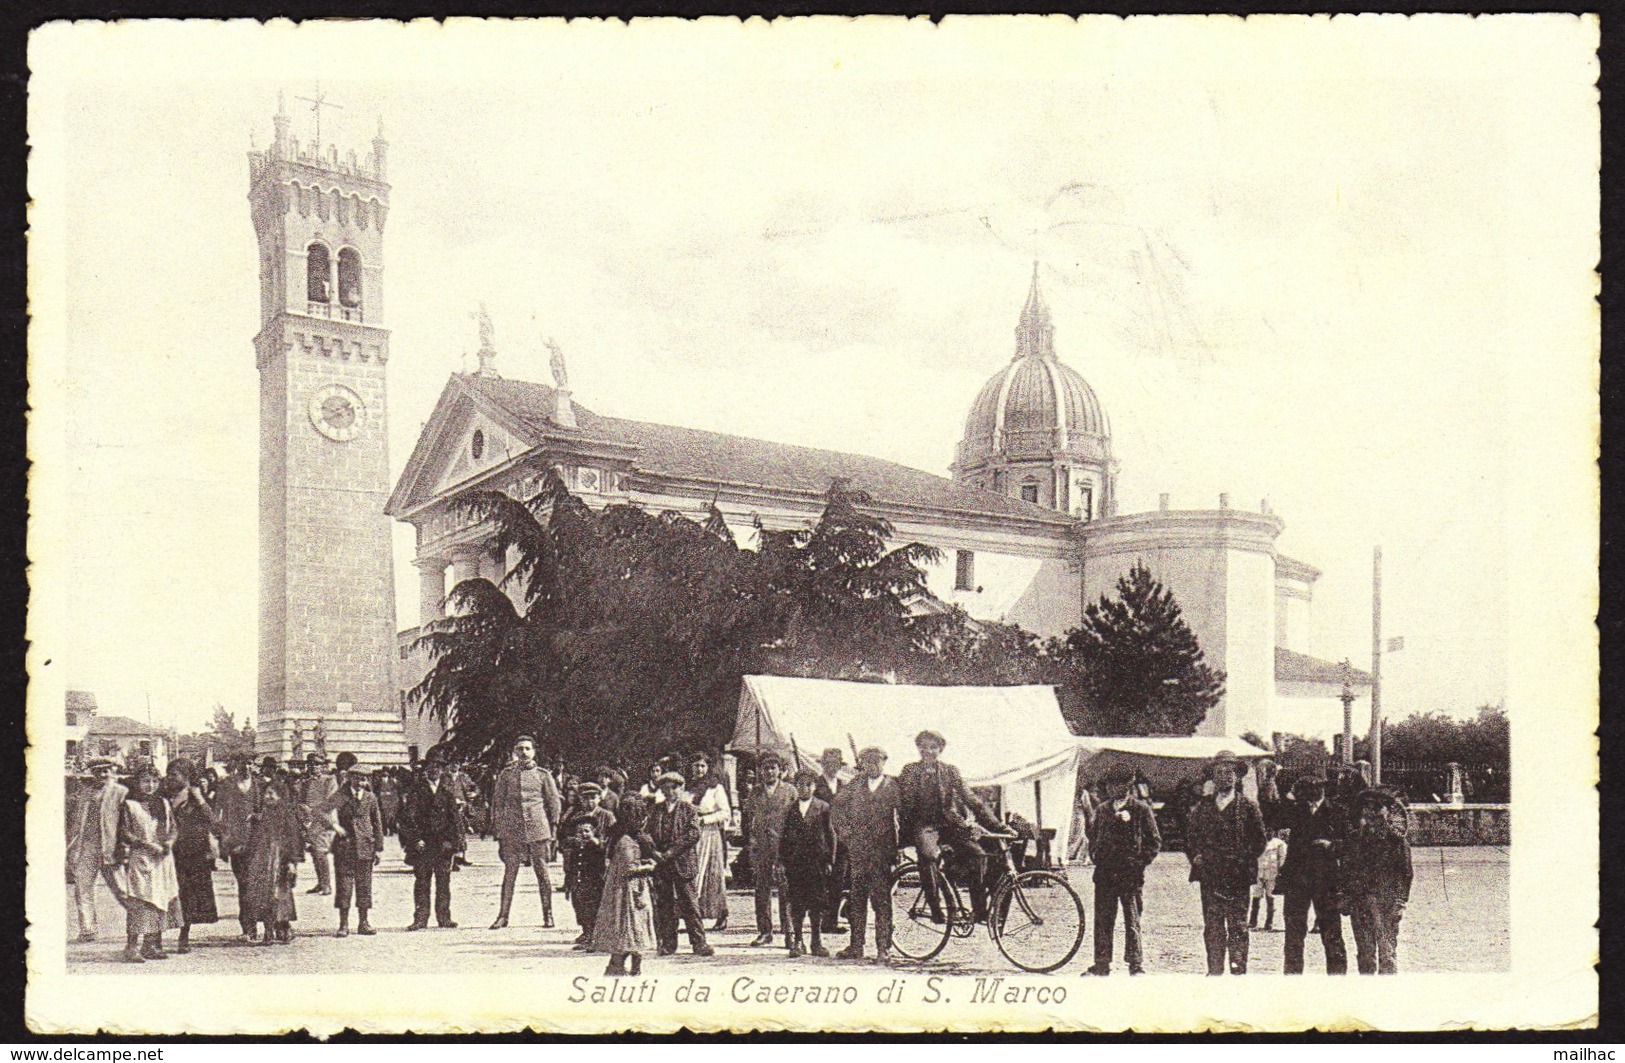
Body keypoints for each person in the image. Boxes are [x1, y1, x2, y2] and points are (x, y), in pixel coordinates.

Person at [897, 730, 1003, 924]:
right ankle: (936, 907)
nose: (928, 751)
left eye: (933, 747)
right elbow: (901, 802)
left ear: (940, 749)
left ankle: (979, 910)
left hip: (949, 824)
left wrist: (998, 826)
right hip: (923, 824)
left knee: (978, 855)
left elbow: (971, 799)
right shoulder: (910, 771)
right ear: (918, 748)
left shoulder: (949, 771)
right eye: (923, 747)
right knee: (928, 856)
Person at [1185, 751, 1266, 975]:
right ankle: (1215, 971)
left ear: (1237, 777)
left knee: (1238, 926)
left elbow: (1259, 841)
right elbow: (1191, 838)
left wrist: (1243, 859)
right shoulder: (1203, 807)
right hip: (1211, 876)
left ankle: (1238, 969)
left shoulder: (1248, 807)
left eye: (1229, 772)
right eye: (1219, 772)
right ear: (1213, 777)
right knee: (1213, 926)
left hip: (1237, 876)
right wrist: (1197, 857)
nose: (1225, 777)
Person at [1083, 763, 1160, 976]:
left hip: (1130, 875)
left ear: (1128, 784)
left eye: (1117, 784)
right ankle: (1101, 963)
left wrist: (1139, 862)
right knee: (1103, 920)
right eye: (1109, 784)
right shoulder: (1102, 810)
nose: (1112, 788)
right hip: (1105, 874)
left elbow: (1154, 841)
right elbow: (1092, 837)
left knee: (1132, 919)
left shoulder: (1141, 809)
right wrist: (1096, 856)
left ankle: (1135, 963)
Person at [831, 746, 900, 965]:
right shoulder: (855, 785)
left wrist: (898, 847)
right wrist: (844, 832)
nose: (872, 765)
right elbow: (836, 807)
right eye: (868, 762)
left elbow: (903, 818)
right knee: (857, 899)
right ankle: (856, 945)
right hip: (858, 852)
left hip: (882, 852)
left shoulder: (893, 787)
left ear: (884, 762)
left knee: (881, 902)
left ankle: (883, 948)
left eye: (876, 761)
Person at [1277, 772, 1349, 975]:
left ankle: (1337, 978)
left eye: (1317, 787)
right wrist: (1290, 795)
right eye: (1307, 788)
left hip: (1326, 880)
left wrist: (1332, 845)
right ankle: (1293, 976)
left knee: (1331, 931)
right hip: (1297, 878)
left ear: (1324, 788)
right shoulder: (1295, 810)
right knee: (1294, 932)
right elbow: (1274, 815)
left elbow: (1350, 843)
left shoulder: (1337, 811)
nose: (1313, 791)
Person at [489, 734, 563, 929]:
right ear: (515, 751)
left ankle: (548, 915)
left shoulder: (543, 775)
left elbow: (554, 803)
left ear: (534, 751)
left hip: (538, 829)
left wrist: (553, 828)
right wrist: (498, 828)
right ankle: (503, 916)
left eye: (527, 748)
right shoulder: (506, 775)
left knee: (543, 874)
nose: (523, 752)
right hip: (512, 829)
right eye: (520, 748)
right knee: (509, 874)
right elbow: (498, 802)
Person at [1341, 788, 1412, 974]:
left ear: (1386, 813)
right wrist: (1345, 896)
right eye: (1368, 809)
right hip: (1360, 902)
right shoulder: (1354, 840)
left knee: (1387, 954)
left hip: (1386, 903)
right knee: (1365, 955)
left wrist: (1400, 901)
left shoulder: (1396, 842)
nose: (1372, 814)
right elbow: (1346, 871)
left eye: (1377, 809)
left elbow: (1405, 874)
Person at [117, 763, 181, 962]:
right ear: (137, 783)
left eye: (154, 781)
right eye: (145, 781)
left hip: (162, 858)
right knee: (141, 899)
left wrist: (168, 843)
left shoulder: (163, 803)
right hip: (142, 858)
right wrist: (145, 844)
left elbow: (173, 829)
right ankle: (132, 947)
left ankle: (151, 945)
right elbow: (125, 832)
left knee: (160, 898)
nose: (150, 785)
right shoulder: (129, 805)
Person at [646, 771, 714, 957]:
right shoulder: (655, 810)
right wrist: (654, 852)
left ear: (682, 788)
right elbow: (646, 833)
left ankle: (699, 943)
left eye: (674, 787)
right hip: (662, 864)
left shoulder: (688, 809)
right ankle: (668, 944)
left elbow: (693, 834)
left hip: (682, 863)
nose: (670, 791)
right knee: (665, 904)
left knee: (690, 904)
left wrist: (670, 852)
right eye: (665, 788)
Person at [399, 746, 464, 930]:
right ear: (426, 769)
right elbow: (407, 819)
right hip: (423, 844)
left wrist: (454, 842)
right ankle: (420, 918)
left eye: (438, 766)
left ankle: (444, 917)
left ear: (443, 770)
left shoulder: (446, 793)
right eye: (431, 766)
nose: (435, 770)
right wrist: (415, 839)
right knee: (422, 881)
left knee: (444, 882)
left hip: (443, 845)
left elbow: (454, 820)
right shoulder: (416, 791)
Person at [593, 799, 657, 977]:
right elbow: (630, 869)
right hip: (629, 890)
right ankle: (621, 966)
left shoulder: (623, 838)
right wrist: (650, 866)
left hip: (632, 888)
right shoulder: (626, 841)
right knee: (632, 925)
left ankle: (628, 966)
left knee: (634, 926)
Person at [65, 758, 127, 942]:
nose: (102, 775)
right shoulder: (86, 793)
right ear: (92, 773)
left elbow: (127, 822)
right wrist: (71, 848)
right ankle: (88, 930)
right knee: (82, 889)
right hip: (88, 847)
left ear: (112, 771)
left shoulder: (121, 792)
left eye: (106, 771)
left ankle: (142, 925)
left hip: (111, 847)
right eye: (98, 771)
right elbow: (77, 824)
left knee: (122, 889)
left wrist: (124, 848)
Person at [324, 755, 384, 938]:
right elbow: (322, 810)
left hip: (366, 846)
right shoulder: (341, 796)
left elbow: (377, 823)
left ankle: (363, 922)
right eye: (357, 778)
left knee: (364, 885)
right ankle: (343, 924)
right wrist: (335, 826)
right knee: (344, 885)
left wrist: (378, 847)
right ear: (350, 778)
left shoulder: (370, 798)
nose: (361, 782)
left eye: (364, 779)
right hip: (345, 846)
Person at [242, 771, 303, 945]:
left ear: (280, 796)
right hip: (261, 861)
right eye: (266, 793)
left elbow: (293, 841)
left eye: (271, 793)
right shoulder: (260, 816)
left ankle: (280, 927)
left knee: (277, 895)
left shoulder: (287, 816)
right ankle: (268, 930)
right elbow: (253, 839)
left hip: (279, 860)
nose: (267, 796)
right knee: (261, 895)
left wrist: (292, 862)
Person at [780, 768, 835, 958]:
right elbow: (784, 838)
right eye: (800, 785)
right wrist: (782, 861)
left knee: (816, 902)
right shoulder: (790, 809)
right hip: (795, 864)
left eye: (808, 784)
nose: (804, 788)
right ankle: (797, 941)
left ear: (814, 786)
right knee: (797, 903)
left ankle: (816, 942)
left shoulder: (824, 807)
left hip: (816, 863)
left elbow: (830, 836)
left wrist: (829, 860)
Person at [164, 758, 218, 954]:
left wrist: (200, 799)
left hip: (192, 853)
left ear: (186, 777)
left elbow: (213, 821)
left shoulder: (197, 797)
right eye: (169, 774)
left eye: (174, 775)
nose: (169, 778)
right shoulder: (165, 795)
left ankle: (183, 936)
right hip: (169, 851)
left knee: (188, 895)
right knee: (167, 893)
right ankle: (156, 936)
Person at [211, 755, 263, 941]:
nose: (246, 767)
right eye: (243, 764)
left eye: (250, 763)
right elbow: (217, 813)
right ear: (236, 766)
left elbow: (267, 809)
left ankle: (253, 926)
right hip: (235, 841)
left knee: (253, 883)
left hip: (256, 841)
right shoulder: (226, 785)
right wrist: (221, 838)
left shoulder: (259, 785)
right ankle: (247, 926)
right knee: (243, 884)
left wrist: (259, 816)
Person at [747, 752, 796, 946]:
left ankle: (789, 932)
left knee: (786, 889)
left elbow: (796, 820)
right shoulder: (755, 792)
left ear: (780, 770)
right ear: (760, 771)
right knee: (762, 889)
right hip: (761, 847)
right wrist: (751, 842)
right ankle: (765, 932)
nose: (769, 771)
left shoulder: (790, 791)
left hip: (784, 846)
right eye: (765, 768)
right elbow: (748, 819)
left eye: (773, 767)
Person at [561, 781, 616, 946]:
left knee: (597, 900)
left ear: (599, 798)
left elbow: (613, 840)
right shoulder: (574, 816)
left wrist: (597, 842)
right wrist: (574, 840)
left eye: (593, 797)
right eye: (585, 798)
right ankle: (586, 931)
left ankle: (597, 934)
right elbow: (564, 838)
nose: (589, 802)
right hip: (579, 863)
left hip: (598, 864)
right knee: (579, 899)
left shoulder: (607, 816)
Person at [686, 751, 732, 932]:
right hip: (690, 835)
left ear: (707, 768)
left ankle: (720, 914)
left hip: (709, 834)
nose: (699, 769)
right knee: (691, 873)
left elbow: (725, 812)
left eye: (702, 766)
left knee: (711, 874)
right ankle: (693, 916)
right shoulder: (686, 788)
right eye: (696, 766)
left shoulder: (715, 788)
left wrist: (705, 819)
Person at [813, 748, 849, 933]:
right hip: (821, 838)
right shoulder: (816, 785)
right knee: (820, 881)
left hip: (841, 839)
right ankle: (817, 921)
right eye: (828, 764)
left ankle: (831, 922)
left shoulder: (844, 786)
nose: (832, 767)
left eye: (835, 764)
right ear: (823, 764)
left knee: (838, 880)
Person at [298, 751, 338, 896]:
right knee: (315, 852)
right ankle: (321, 882)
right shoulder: (305, 783)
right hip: (310, 822)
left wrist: (312, 811)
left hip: (325, 821)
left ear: (323, 766)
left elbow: (330, 801)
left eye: (317, 764)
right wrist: (304, 810)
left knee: (320, 851)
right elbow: (300, 801)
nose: (314, 767)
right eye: (311, 764)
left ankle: (327, 885)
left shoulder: (330, 780)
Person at [1251, 828, 1288, 931]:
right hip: (1259, 872)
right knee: (1256, 896)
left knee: (1270, 897)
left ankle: (1269, 922)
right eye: (1266, 831)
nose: (1268, 833)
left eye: (1270, 831)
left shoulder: (1279, 843)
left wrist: (1280, 870)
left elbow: (1282, 857)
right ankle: (1252, 921)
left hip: (1272, 873)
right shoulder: (1259, 841)